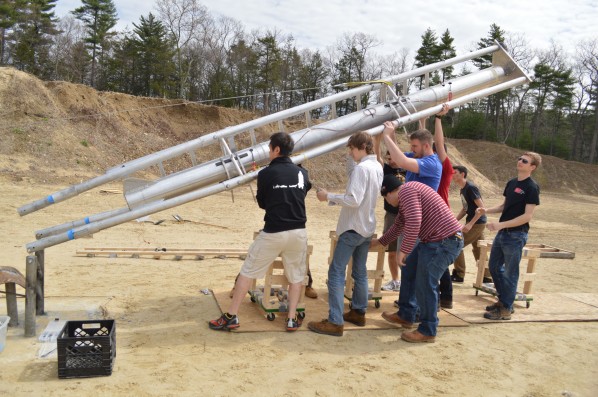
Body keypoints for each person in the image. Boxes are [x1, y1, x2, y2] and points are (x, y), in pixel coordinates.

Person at [209, 132, 311, 332]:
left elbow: (263, 203)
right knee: (296, 276)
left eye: (270, 149)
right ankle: (291, 319)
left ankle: (232, 316)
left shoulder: (265, 173)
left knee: (248, 271)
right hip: (298, 231)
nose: (268, 153)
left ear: (277, 149)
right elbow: (304, 191)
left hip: (274, 231)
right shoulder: (302, 172)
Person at [307, 131, 383, 337]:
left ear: (360, 148)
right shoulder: (377, 166)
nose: (350, 152)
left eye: (351, 148)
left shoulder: (362, 169)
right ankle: (358, 311)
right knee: (359, 272)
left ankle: (335, 321)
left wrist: (328, 196)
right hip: (366, 227)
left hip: (352, 227)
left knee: (336, 273)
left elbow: (353, 200)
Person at [373, 177, 463, 343]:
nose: (387, 201)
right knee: (409, 269)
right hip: (433, 241)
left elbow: (415, 221)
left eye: (386, 197)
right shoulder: (407, 196)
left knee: (425, 282)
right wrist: (379, 242)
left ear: (392, 191)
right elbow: (398, 226)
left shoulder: (407, 191)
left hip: (446, 242)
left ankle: (428, 330)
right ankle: (406, 314)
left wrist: (404, 250)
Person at [478, 152, 541, 321]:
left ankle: (505, 308)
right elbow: (505, 206)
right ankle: (504, 301)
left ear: (532, 167)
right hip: (503, 233)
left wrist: (501, 224)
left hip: (516, 234)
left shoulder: (532, 187)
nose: (520, 161)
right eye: (519, 159)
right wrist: (487, 210)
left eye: (525, 161)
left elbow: (527, 216)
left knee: (510, 273)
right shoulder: (512, 183)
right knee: (494, 266)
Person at [373, 134, 405, 292]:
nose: (391, 159)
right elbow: (377, 156)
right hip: (392, 215)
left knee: (405, 249)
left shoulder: (407, 167)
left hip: (407, 214)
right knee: (391, 250)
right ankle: (395, 280)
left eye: (394, 155)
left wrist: (392, 132)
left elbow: (395, 144)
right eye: (388, 156)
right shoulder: (384, 169)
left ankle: (406, 281)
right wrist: (378, 139)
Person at [450, 165, 490, 283]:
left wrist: (470, 224)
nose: (452, 175)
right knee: (479, 249)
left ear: (462, 174)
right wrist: (454, 220)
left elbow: (481, 208)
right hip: (474, 222)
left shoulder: (470, 188)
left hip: (477, 223)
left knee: (456, 243)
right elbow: (465, 208)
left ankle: (459, 274)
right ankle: (487, 277)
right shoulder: (462, 189)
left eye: (455, 173)